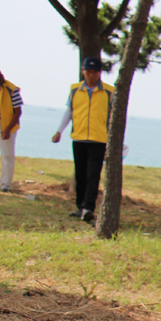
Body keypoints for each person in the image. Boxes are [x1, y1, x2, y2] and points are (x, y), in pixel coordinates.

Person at [52, 57, 113, 222]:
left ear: (99, 73)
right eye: (88, 72)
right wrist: (59, 131)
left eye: (94, 72)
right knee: (80, 175)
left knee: (93, 175)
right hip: (79, 138)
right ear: (83, 71)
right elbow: (69, 111)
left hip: (98, 139)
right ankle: (80, 207)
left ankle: (88, 208)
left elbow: (115, 117)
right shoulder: (74, 90)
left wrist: (114, 140)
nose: (91, 75)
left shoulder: (109, 92)